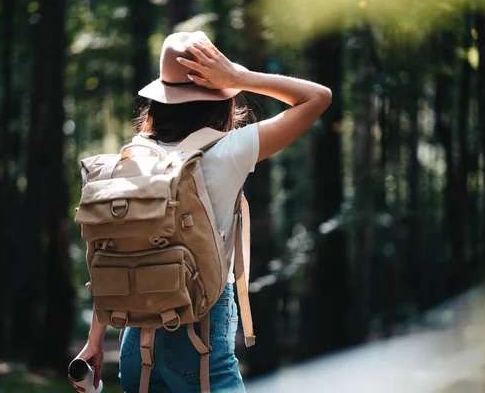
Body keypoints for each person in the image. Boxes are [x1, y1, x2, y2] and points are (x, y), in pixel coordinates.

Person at [72, 31, 332, 393]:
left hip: (134, 343)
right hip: (200, 338)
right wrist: (240, 77)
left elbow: (111, 249)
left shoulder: (135, 156)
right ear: (218, 96)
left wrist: (95, 340)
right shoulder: (230, 150)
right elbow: (318, 97)